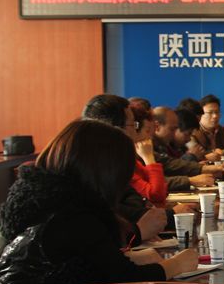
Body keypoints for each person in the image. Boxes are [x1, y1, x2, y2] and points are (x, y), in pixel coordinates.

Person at [0, 120, 197, 284]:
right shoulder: (74, 216)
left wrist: (133, 256)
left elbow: (73, 265)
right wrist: (176, 264)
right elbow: (124, 281)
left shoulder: (45, 200)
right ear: (106, 172)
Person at [82, 94, 195, 239]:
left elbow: (142, 198)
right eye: (134, 125)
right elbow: (153, 195)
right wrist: (149, 158)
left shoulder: (121, 159)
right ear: (116, 128)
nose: (150, 136)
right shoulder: (101, 165)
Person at [151, 106, 223, 191]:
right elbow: (153, 181)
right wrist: (191, 180)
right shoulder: (145, 147)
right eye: (172, 129)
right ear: (157, 126)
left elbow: (170, 164)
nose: (174, 134)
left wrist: (203, 168)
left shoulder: (160, 146)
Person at [129, 103, 167, 205]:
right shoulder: (123, 163)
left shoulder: (134, 161)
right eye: (147, 131)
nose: (150, 137)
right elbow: (156, 195)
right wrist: (149, 157)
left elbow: (162, 189)